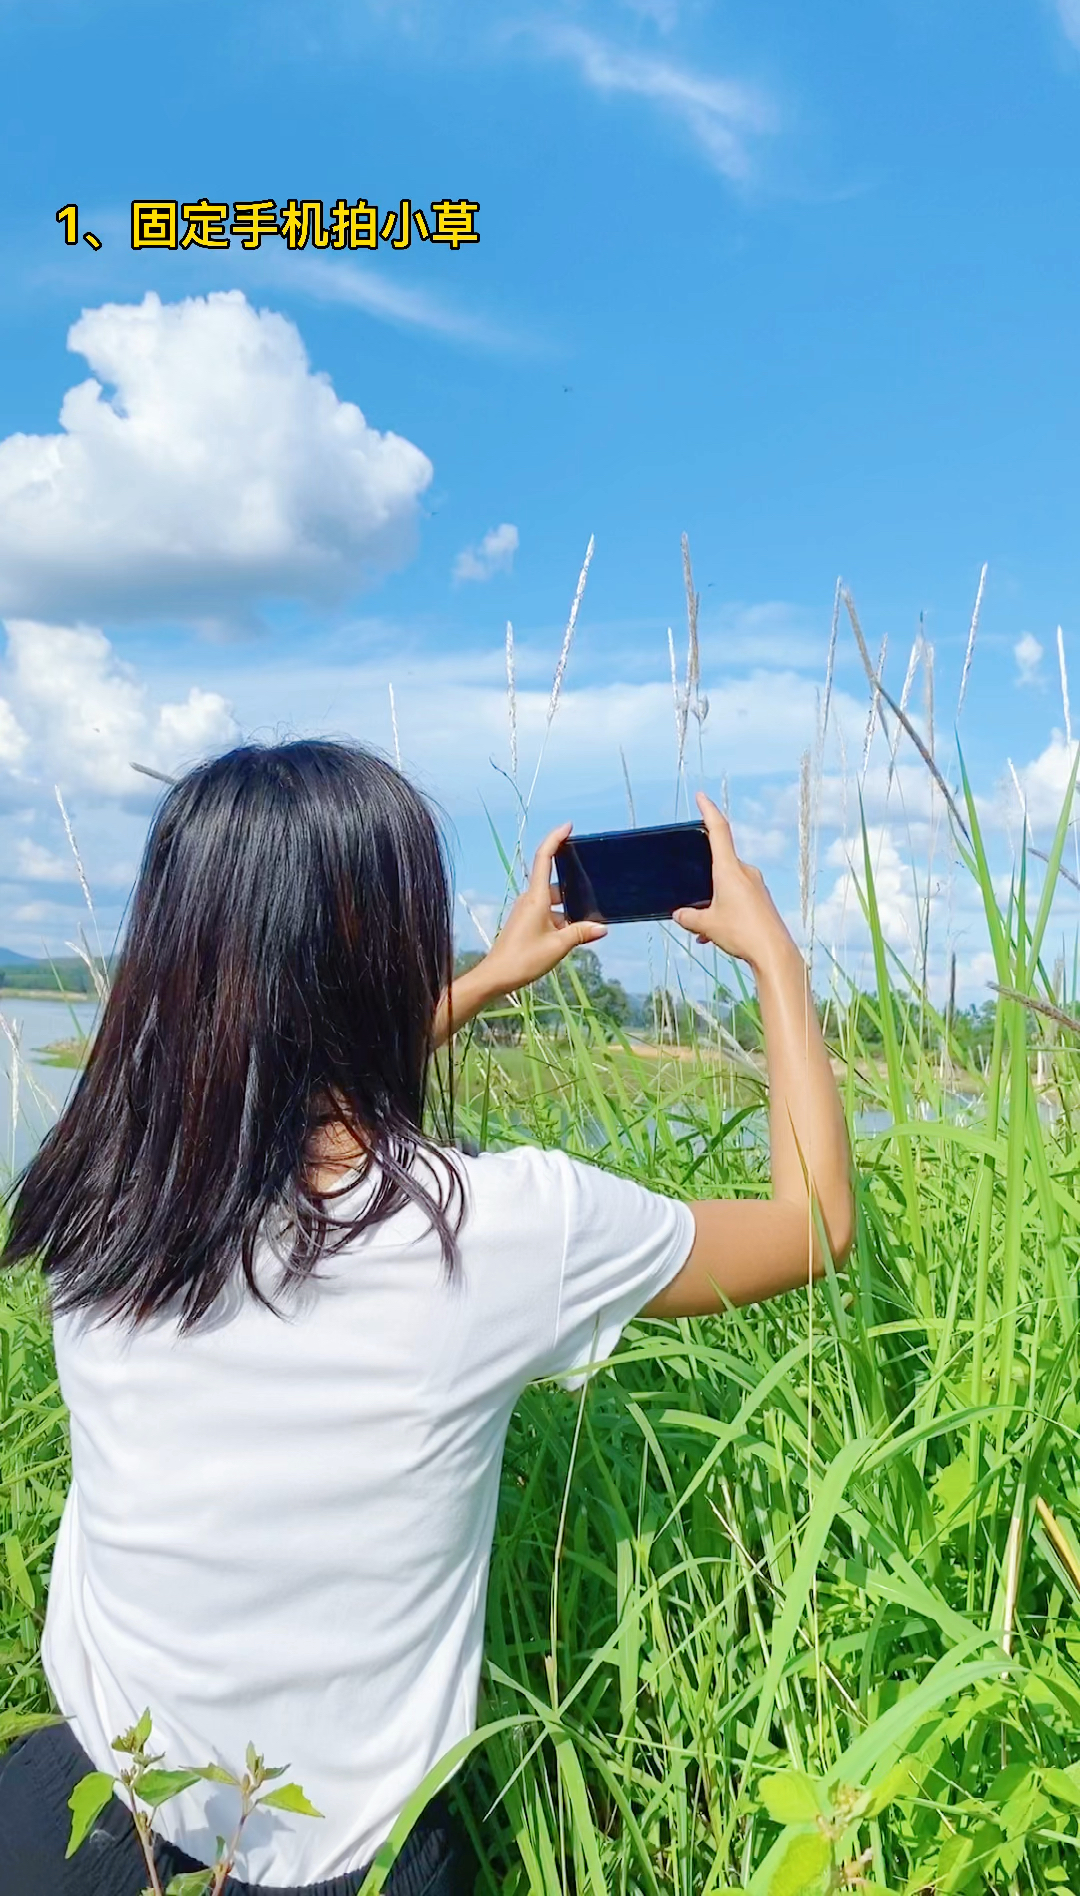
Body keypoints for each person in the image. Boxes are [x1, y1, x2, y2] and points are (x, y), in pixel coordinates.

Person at [0, 741, 853, 1896]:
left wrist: (494, 978)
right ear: (384, 955)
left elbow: (267, 1091)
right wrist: (779, 964)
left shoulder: (97, 1190)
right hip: (341, 1861)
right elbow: (813, 1224)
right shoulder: (497, 1233)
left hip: (82, 1812)